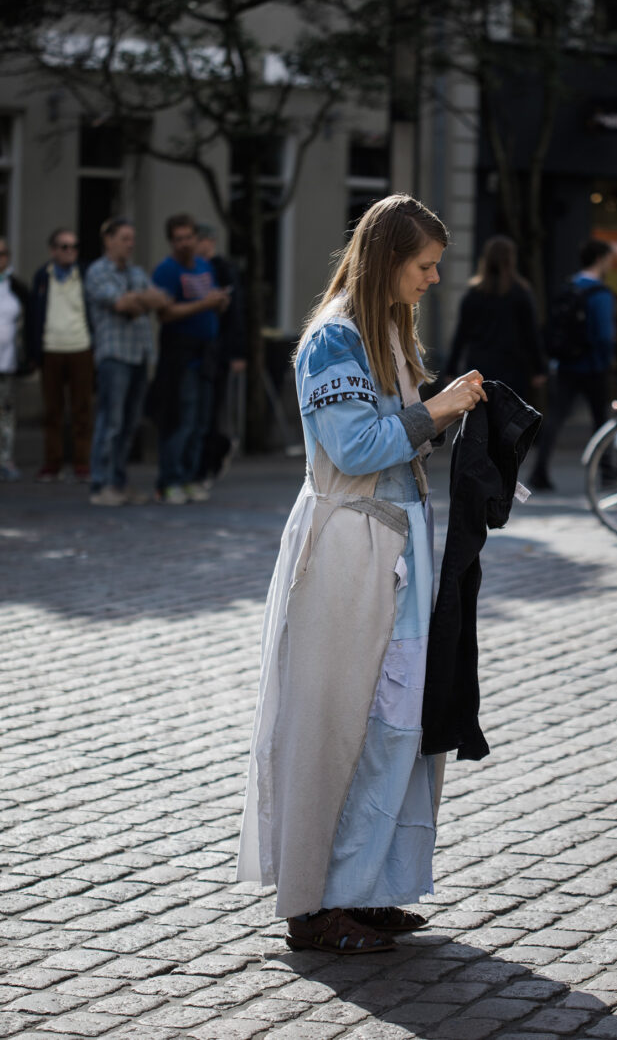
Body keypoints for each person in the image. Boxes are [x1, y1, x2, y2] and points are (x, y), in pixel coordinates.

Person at [236, 193, 486, 955]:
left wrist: (459, 414)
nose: (434, 278)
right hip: (349, 554)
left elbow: (397, 442)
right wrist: (437, 410)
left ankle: (367, 887)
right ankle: (315, 903)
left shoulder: (385, 332)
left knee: (395, 727)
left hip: (398, 553)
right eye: (424, 265)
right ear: (387, 260)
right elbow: (355, 448)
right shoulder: (332, 341)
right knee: (333, 724)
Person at [86, 217, 168, 506]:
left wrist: (138, 300)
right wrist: (139, 300)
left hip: (139, 354)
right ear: (108, 240)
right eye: (124, 238)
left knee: (130, 423)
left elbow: (161, 300)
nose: (130, 244)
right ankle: (101, 484)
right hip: (114, 356)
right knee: (111, 421)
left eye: (132, 238)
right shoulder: (97, 271)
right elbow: (120, 304)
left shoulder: (135, 272)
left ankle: (119, 483)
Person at [149, 214, 230, 504]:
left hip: (206, 354)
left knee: (201, 421)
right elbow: (165, 314)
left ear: (196, 238)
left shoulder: (204, 266)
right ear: (172, 241)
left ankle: (191, 477)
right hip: (180, 357)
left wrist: (218, 302)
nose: (184, 243)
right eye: (178, 239)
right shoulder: (166, 271)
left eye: (188, 237)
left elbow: (210, 303)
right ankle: (170, 481)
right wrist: (204, 305)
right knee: (180, 420)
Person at [530, 238, 616, 491]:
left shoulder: (569, 286)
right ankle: (608, 472)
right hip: (593, 366)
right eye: (609, 259)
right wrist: (607, 361)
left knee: (555, 419)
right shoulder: (600, 293)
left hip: (566, 364)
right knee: (601, 421)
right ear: (600, 259)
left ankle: (539, 471)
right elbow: (603, 334)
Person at [445, 234, 546, 404]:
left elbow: (461, 334)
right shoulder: (521, 292)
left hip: (479, 366)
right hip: (513, 368)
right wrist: (539, 369)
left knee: (480, 421)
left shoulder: (474, 293)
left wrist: (451, 369)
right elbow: (531, 334)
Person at [27, 228, 94, 482]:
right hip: (51, 348)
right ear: (53, 250)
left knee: (82, 410)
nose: (69, 252)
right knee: (52, 411)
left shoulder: (85, 274)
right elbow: (34, 315)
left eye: (73, 247)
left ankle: (81, 463)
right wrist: (34, 350)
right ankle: (52, 463)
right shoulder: (43, 276)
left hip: (80, 346)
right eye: (64, 247)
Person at [194, 222, 246, 482]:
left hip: (220, 350)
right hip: (201, 350)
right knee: (202, 411)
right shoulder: (195, 269)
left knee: (214, 410)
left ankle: (212, 459)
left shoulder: (223, 269)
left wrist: (236, 352)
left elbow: (235, 312)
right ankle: (202, 462)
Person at [0, 238, 30, 481]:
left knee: (6, 413)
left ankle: (5, 458)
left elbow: (28, 321)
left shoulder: (15, 287)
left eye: (3, 253)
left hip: (7, 362)